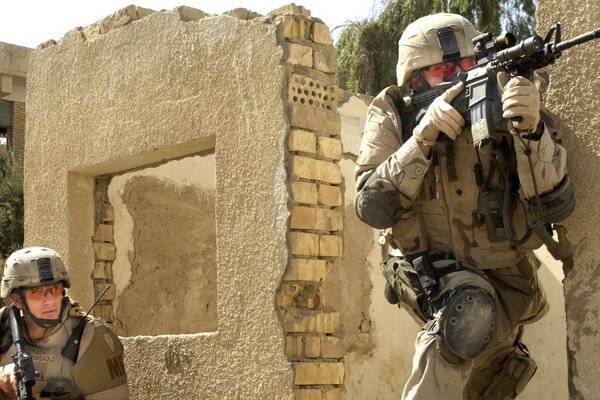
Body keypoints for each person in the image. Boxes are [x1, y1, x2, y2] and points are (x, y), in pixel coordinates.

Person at [354, 13, 574, 399]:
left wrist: (532, 131)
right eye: (444, 69)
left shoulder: (505, 98)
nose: (459, 75)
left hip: (508, 282)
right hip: (431, 273)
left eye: (467, 65)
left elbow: (556, 205)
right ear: (415, 79)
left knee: (490, 378)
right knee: (468, 314)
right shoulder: (394, 113)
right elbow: (372, 206)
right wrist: (421, 139)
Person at [0, 247, 129, 399]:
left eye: (54, 289)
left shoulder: (89, 338)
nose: (49, 301)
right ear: (17, 300)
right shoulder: (3, 326)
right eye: (37, 292)